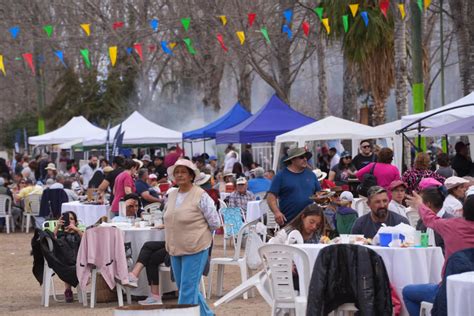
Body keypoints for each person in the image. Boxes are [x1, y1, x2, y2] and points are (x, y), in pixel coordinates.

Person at [403, 190, 474, 316]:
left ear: (462, 211)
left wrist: (420, 205)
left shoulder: (451, 225)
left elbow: (430, 219)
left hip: (448, 291)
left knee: (407, 292)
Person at [163, 159, 220, 316]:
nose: (180, 175)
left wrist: (197, 232)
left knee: (187, 289)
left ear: (191, 176)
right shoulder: (171, 194)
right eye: (177, 172)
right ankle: (207, 314)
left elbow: (215, 222)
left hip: (196, 246)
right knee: (185, 287)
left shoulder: (201, 195)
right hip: (175, 247)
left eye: (183, 172)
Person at [268, 147, 322, 226]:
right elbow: (271, 197)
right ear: (292, 160)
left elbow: (319, 193)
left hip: (310, 222)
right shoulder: (281, 176)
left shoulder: (311, 175)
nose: (305, 159)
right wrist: (277, 212)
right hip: (290, 221)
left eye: (305, 157)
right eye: (301, 157)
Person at [127, 240, 170, 305]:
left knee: (150, 255)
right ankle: (154, 296)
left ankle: (134, 275)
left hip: (181, 246)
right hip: (173, 242)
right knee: (148, 248)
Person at [53, 211, 83, 303]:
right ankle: (68, 290)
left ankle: (68, 290)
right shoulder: (60, 233)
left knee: (72, 265)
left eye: (72, 219)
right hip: (65, 261)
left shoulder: (79, 233)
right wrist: (57, 227)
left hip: (78, 259)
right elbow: (51, 241)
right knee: (68, 264)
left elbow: (86, 241)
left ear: (76, 222)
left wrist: (77, 230)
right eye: (67, 219)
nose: (69, 221)